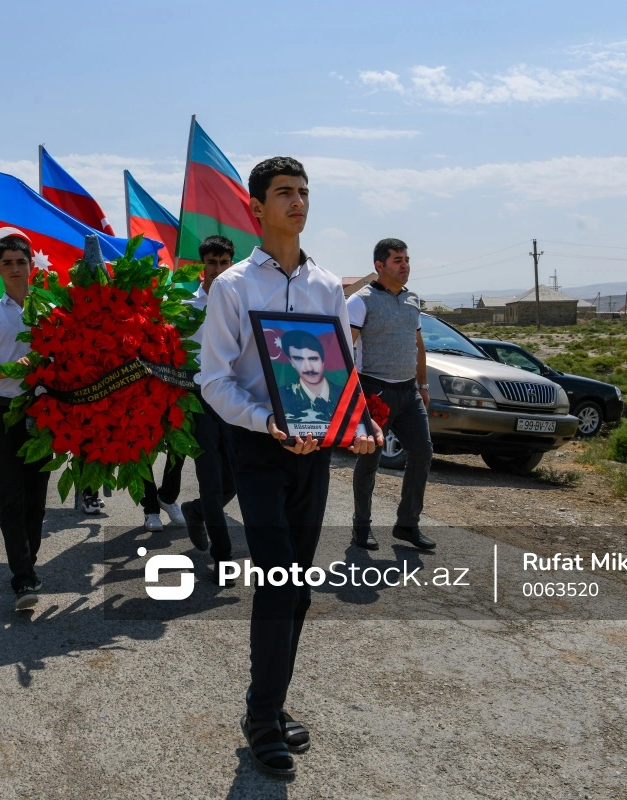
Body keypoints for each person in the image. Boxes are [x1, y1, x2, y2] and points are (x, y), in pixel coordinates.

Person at [199, 156, 381, 779]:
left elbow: (339, 372)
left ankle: (272, 707)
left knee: (297, 586)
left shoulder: (327, 285)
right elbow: (214, 382)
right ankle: (260, 716)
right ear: (256, 207)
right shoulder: (232, 288)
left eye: (304, 192)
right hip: (259, 451)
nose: (298, 201)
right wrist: (265, 423)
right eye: (284, 193)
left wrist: (357, 423)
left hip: (315, 454)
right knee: (279, 580)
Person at [0, 235, 50, 612]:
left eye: (21, 261)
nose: (15, 268)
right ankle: (22, 577)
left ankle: (26, 564)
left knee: (36, 499)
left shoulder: (50, 309)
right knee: (9, 498)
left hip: (45, 411)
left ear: (31, 264)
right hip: (5, 410)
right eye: (8, 263)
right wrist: (8, 369)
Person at [348, 238, 435, 551]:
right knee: (369, 460)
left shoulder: (413, 300)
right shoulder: (361, 301)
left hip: (409, 391)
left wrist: (423, 386)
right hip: (374, 390)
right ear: (379, 266)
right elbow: (346, 347)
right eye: (398, 260)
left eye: (407, 259)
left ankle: (407, 524)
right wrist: (350, 393)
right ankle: (361, 528)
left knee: (423, 453)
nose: (405, 265)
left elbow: (418, 346)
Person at [179, 236, 238, 576]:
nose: (218, 269)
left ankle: (196, 511)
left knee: (235, 482)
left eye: (224, 263)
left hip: (233, 402)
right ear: (202, 266)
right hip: (199, 402)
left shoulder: (241, 306)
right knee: (212, 483)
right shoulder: (186, 308)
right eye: (212, 263)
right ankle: (223, 559)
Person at [278, 330, 344, 428]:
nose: (308, 368)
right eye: (298, 359)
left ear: (323, 361)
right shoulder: (281, 396)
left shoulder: (346, 395)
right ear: (291, 361)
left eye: (313, 359)